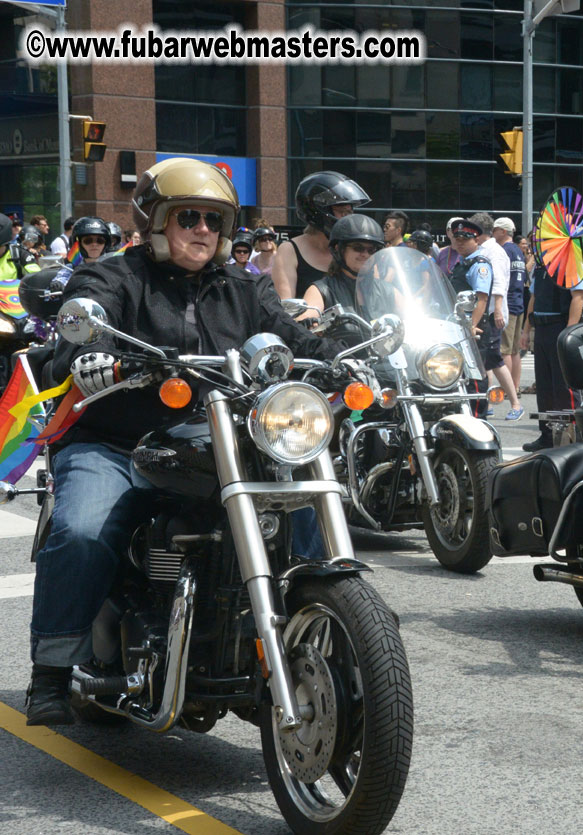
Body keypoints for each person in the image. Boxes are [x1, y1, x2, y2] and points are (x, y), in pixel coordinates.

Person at [24, 157, 343, 726]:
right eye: (189, 217)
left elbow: (293, 337)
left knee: (300, 508)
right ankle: (51, 671)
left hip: (220, 440)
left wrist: (344, 361)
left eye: (214, 222)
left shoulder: (243, 289)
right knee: (83, 529)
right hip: (118, 442)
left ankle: (317, 640)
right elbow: (76, 337)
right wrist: (88, 358)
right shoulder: (116, 277)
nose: (203, 230)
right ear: (155, 220)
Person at [450, 218, 523, 421]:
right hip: (459, 326)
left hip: (477, 325)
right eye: (457, 239)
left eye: (465, 239)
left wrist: (473, 325)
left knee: (477, 372)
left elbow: (483, 298)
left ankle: (478, 416)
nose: (460, 243)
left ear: (476, 240)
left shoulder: (481, 264)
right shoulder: (463, 263)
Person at [520, 236, 583, 451]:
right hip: (542, 328)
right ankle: (547, 435)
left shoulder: (571, 262)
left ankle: (568, 438)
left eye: (543, 240)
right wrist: (525, 330)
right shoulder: (539, 267)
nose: (539, 245)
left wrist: (568, 331)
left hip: (561, 326)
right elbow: (533, 298)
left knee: (564, 386)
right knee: (545, 386)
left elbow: (578, 298)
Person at [273, 171, 370, 299]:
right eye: (342, 212)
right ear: (318, 211)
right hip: (308, 317)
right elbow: (287, 306)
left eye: (350, 212)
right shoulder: (290, 250)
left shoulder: (352, 248)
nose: (348, 218)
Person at [301, 214, 384, 319]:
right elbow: (305, 318)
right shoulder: (322, 290)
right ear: (339, 250)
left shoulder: (386, 291)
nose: (365, 254)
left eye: (371, 250)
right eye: (358, 248)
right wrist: (309, 322)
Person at [492, 216, 527, 407]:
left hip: (508, 303)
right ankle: (516, 386)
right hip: (519, 301)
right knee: (514, 350)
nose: (492, 232)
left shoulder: (504, 251)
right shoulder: (518, 251)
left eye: (495, 229)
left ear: (503, 232)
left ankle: (508, 389)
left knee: (505, 349)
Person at [52, 217, 111, 287]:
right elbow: (62, 278)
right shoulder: (71, 268)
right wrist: (58, 285)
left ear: (105, 244)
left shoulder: (113, 268)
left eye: (100, 241)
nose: (94, 244)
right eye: (88, 241)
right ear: (79, 244)